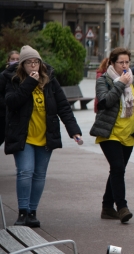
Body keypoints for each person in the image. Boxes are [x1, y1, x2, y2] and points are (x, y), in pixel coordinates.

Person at [3, 46, 82, 227]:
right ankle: (22, 212)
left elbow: (63, 106)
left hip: (45, 136)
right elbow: (12, 102)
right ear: (22, 65)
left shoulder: (50, 81)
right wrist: (29, 83)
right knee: (25, 172)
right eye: (29, 62)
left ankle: (32, 212)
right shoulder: (14, 80)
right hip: (23, 137)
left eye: (36, 62)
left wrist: (74, 131)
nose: (34, 65)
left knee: (39, 175)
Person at [90, 47, 134, 223]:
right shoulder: (104, 80)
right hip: (109, 133)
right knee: (118, 168)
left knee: (117, 170)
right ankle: (122, 207)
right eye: (121, 62)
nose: (125, 66)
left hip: (128, 135)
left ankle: (107, 206)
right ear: (112, 63)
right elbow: (105, 102)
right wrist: (120, 83)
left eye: (127, 62)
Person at [1, 50, 20, 146]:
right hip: (4, 113)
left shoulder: (21, 76)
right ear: (8, 60)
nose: (15, 61)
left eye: (18, 59)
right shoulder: (3, 75)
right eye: (13, 59)